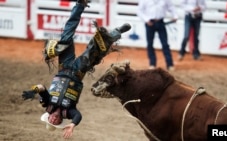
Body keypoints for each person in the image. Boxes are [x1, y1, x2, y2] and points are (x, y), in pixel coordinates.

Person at [21, 0, 131, 139]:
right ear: (61, 121)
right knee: (95, 50)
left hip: (63, 67)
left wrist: (33, 90)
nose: (54, 120)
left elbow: (42, 87)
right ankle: (117, 32)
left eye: (51, 121)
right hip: (78, 72)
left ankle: (80, 4)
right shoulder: (70, 112)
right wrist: (72, 124)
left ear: (48, 117)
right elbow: (78, 116)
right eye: (56, 122)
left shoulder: (48, 104)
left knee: (66, 37)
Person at [137, 0, 178, 71]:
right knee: (150, 44)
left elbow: (171, 7)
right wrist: (146, 20)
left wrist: (175, 16)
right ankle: (152, 64)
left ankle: (170, 64)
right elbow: (139, 11)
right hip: (150, 23)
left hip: (160, 22)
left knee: (165, 44)